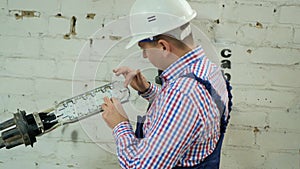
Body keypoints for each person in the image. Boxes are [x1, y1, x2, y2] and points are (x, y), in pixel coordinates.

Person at [101, 0, 232, 168]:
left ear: (163, 47)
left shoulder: (183, 93)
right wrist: (147, 90)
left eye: (144, 49)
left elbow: (141, 166)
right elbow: (188, 117)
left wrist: (119, 124)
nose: (145, 56)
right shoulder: (207, 70)